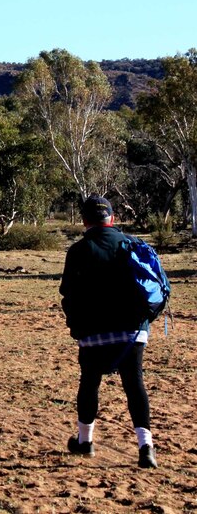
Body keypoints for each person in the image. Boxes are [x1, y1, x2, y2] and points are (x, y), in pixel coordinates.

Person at [59, 194, 158, 469]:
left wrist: (75, 326)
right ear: (112, 218)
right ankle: (145, 446)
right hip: (133, 333)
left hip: (93, 333)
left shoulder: (78, 251)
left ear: (84, 221)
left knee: (89, 383)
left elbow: (67, 292)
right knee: (134, 385)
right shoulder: (130, 244)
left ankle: (85, 442)